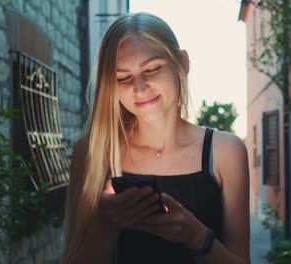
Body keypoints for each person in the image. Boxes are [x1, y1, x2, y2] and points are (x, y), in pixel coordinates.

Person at [62, 12, 250, 264]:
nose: (139, 88)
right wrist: (106, 225)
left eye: (152, 69)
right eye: (123, 77)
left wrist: (197, 237)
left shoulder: (226, 152)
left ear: (182, 64)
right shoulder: (93, 152)